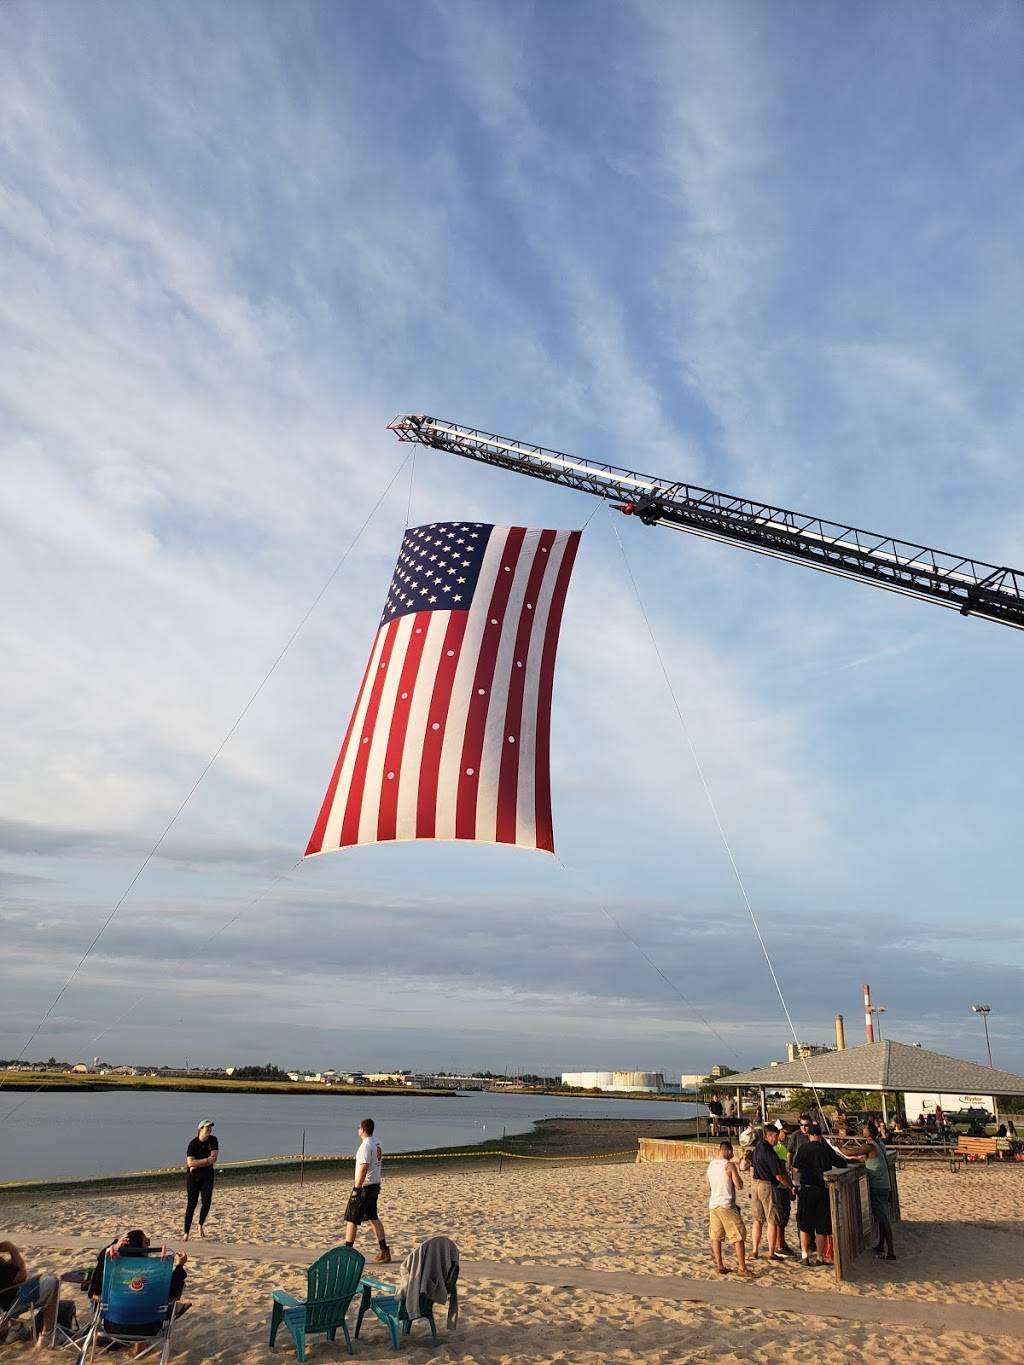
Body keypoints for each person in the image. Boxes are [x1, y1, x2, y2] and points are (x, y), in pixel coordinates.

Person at [87, 1231, 190, 1345]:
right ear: (139, 1245)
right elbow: (173, 1294)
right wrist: (179, 1266)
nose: (149, 1246)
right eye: (146, 1242)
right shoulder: (156, 1271)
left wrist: (112, 1248)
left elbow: (93, 1290)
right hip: (149, 1329)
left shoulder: (111, 1272)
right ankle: (140, 1346)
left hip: (113, 1327)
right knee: (151, 1299)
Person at [791, 1123, 848, 1267]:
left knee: (804, 1224)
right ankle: (820, 1257)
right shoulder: (824, 1149)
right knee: (821, 1225)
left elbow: (796, 1168)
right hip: (822, 1189)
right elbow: (841, 1163)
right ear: (820, 1136)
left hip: (806, 1189)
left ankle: (804, 1255)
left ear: (808, 1135)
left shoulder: (803, 1149)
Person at [841, 1121, 896, 1260]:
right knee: (882, 1216)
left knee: (883, 1218)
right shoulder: (878, 1144)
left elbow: (849, 1152)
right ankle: (881, 1245)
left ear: (869, 1133)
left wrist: (837, 1146)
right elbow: (864, 1159)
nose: (862, 1130)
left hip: (878, 1185)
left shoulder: (870, 1145)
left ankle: (891, 1252)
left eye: (864, 1129)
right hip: (884, 1184)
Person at [344, 1119, 391, 1264]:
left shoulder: (365, 1146)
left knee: (352, 1218)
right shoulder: (377, 1142)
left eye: (359, 1127)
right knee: (373, 1217)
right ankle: (384, 1251)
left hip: (366, 1186)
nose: (357, 1130)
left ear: (363, 1130)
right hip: (375, 1185)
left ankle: (348, 1253)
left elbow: (364, 1167)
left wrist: (357, 1188)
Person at [745, 1127, 796, 1260]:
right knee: (772, 1219)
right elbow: (778, 1176)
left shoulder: (757, 1148)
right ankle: (771, 1252)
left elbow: (752, 1167)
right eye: (776, 1136)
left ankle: (755, 1250)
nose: (777, 1139)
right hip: (767, 1185)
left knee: (758, 1219)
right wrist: (791, 1186)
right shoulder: (770, 1152)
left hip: (755, 1184)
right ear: (771, 1136)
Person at [706, 1141, 754, 1279]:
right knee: (738, 1236)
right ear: (727, 1151)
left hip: (714, 1204)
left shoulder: (711, 1165)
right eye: (731, 1152)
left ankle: (720, 1265)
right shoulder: (729, 1165)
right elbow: (739, 1185)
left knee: (716, 1236)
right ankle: (742, 1267)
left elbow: (708, 1185)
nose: (732, 1155)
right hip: (726, 1204)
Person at [0, 1240, 59, 1346]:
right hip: (12, 1305)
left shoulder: (4, 1267)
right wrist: (12, 1250)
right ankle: (46, 1334)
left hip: (3, 1307)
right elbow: (21, 1275)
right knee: (53, 1282)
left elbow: (11, 1272)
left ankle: (16, 1328)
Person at [184, 1119, 218, 1240]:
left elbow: (213, 1158)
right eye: (206, 1127)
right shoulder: (193, 1143)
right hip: (193, 1177)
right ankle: (186, 1233)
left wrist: (198, 1164)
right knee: (191, 1205)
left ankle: (200, 1224)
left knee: (207, 1203)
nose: (209, 1129)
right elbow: (189, 1162)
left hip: (208, 1176)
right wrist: (206, 1161)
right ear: (200, 1129)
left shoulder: (213, 1140)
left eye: (210, 1127)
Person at [771, 1122, 796, 1256]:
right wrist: (790, 1186)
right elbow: (782, 1171)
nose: (787, 1136)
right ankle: (779, 1244)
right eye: (785, 1133)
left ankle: (781, 1243)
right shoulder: (778, 1148)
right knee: (781, 1217)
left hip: (781, 1185)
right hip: (780, 1186)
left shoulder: (781, 1147)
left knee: (782, 1217)